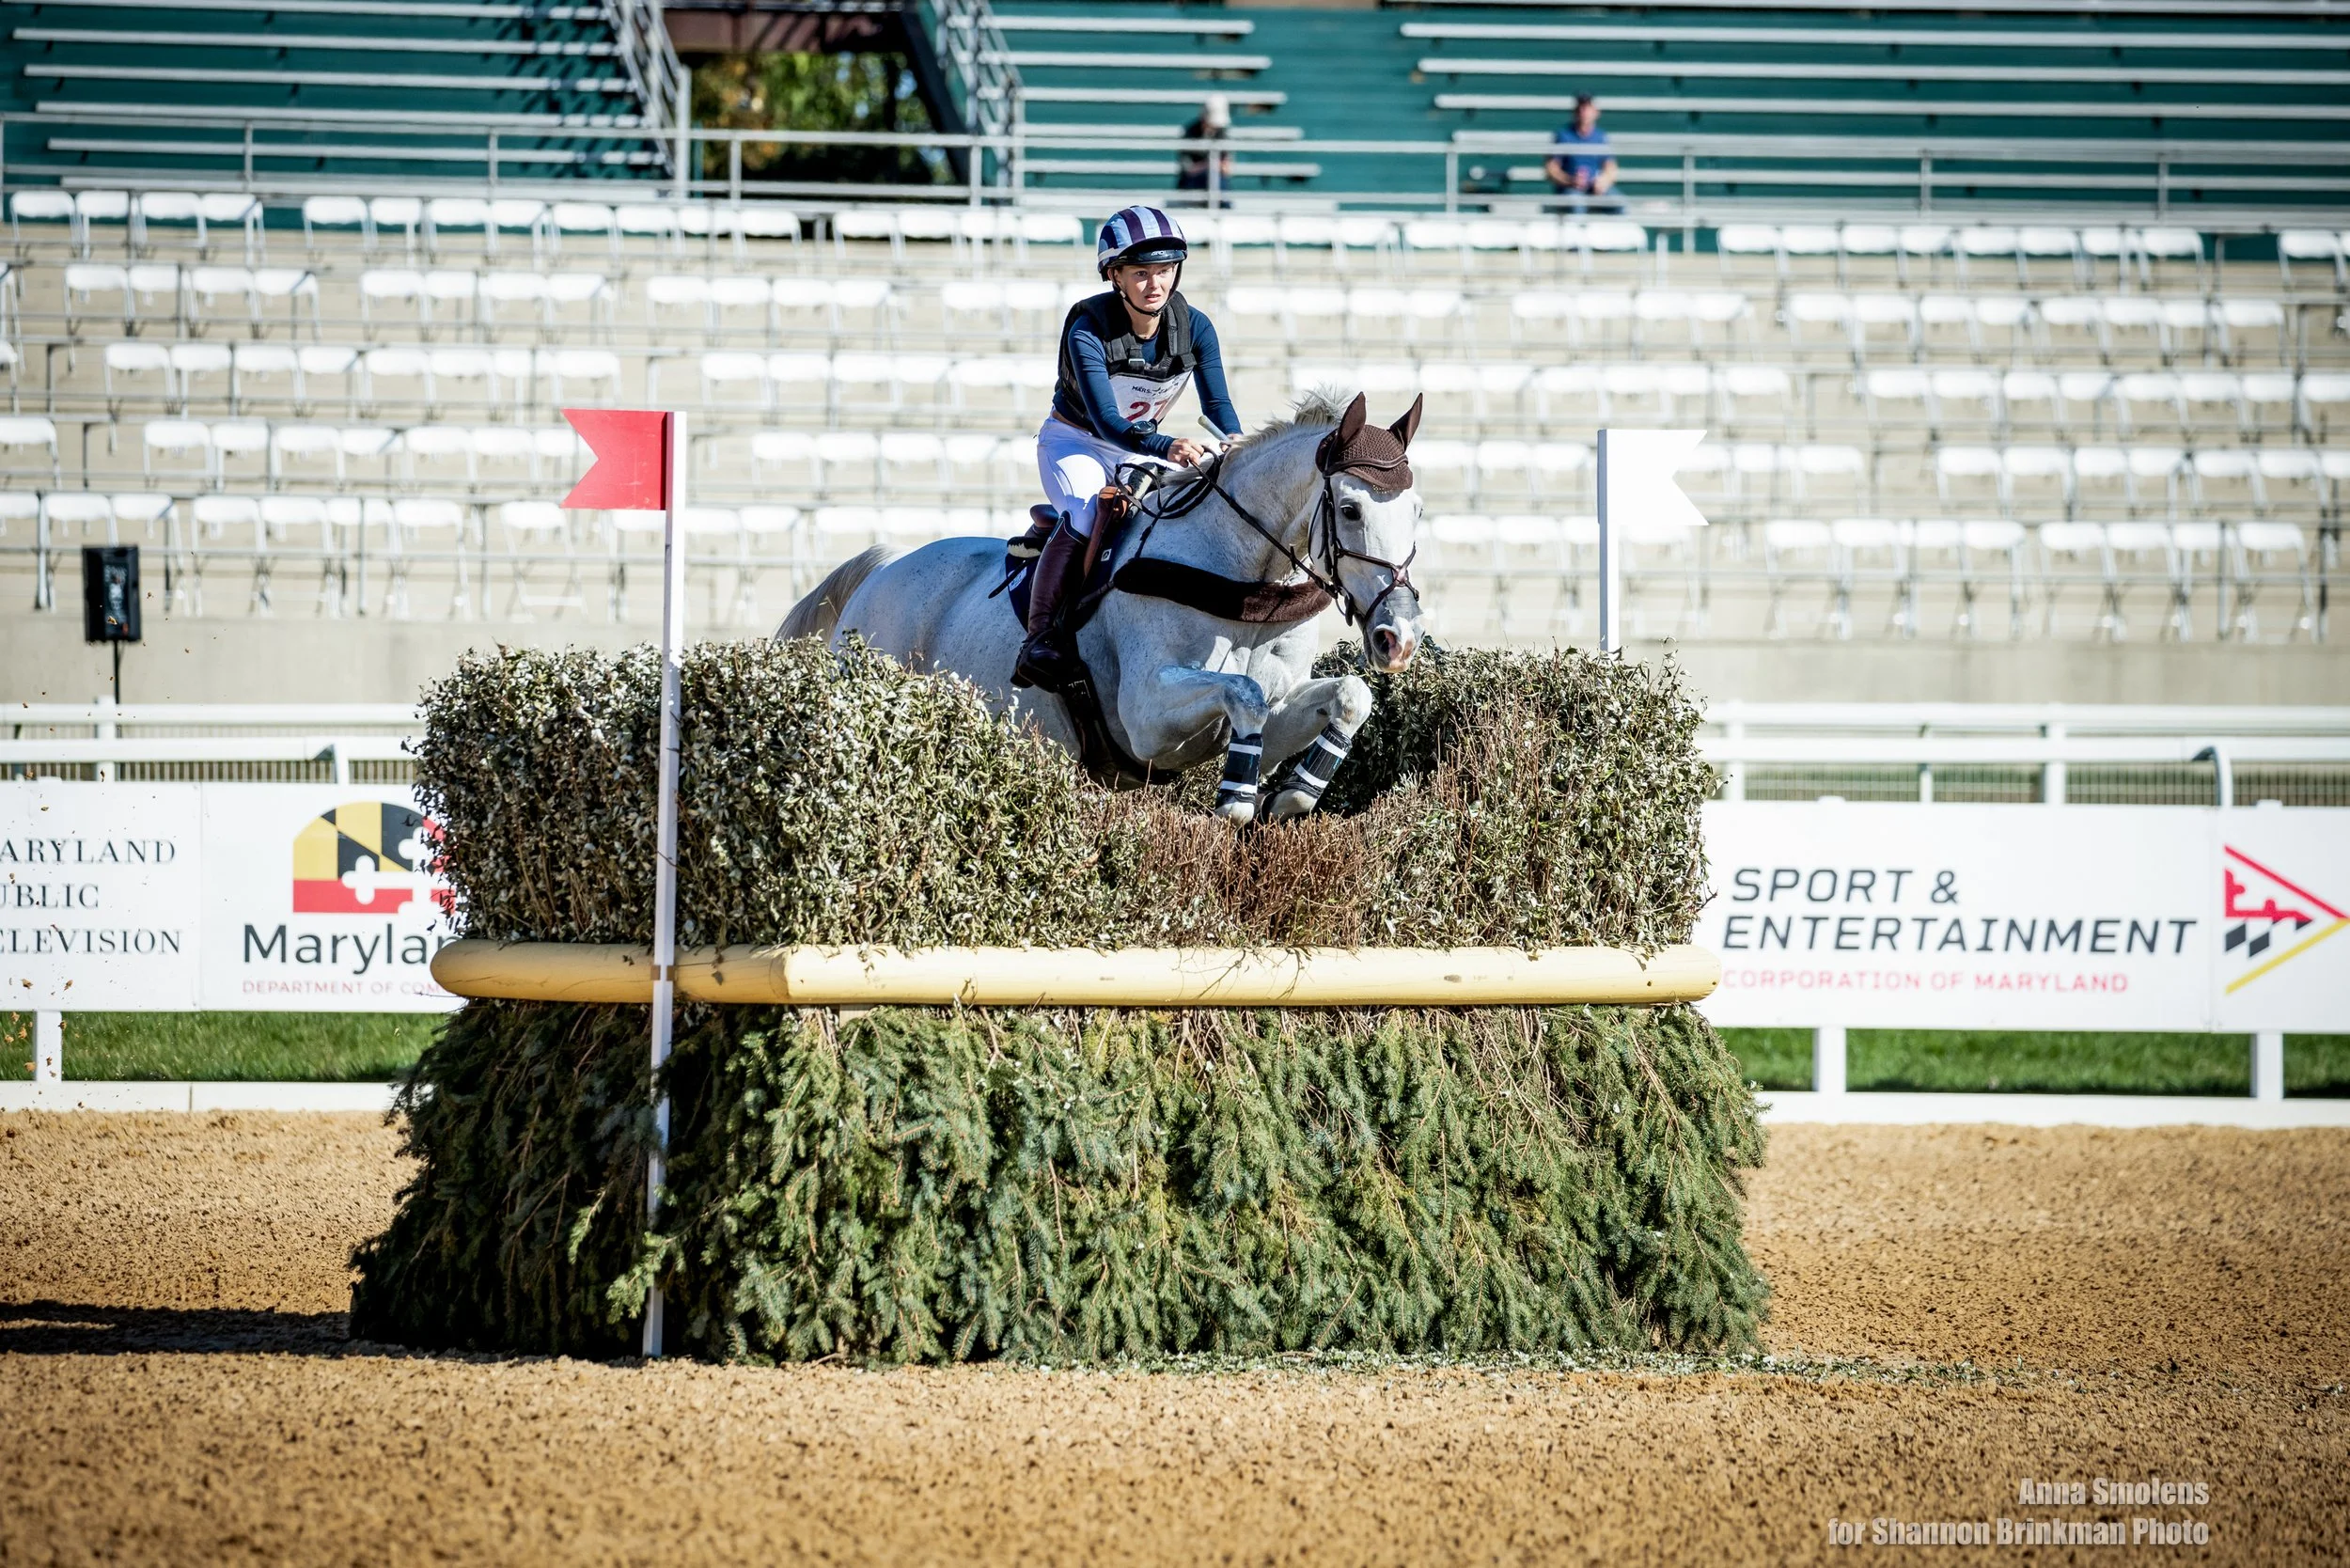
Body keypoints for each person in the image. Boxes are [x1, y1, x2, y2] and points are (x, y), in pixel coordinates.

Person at [1017, 204, 1243, 691]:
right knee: (1083, 511)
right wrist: (1167, 444)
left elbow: (1219, 404)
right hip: (1074, 442)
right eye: (1141, 273)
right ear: (1114, 275)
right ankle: (1040, 637)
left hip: (1135, 450)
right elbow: (1106, 421)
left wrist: (1238, 444)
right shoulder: (1087, 329)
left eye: (1165, 270)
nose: (1155, 284)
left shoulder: (1196, 327)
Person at [1543, 93, 1621, 214]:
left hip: (1594, 188)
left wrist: (1603, 181)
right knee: (1577, 205)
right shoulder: (1563, 135)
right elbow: (1551, 169)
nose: (1583, 112)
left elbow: (1611, 168)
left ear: (1596, 112)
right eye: (1580, 108)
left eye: (1587, 108)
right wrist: (1570, 180)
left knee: (1618, 204)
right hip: (1570, 189)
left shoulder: (1600, 137)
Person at [1176, 93, 1235, 207]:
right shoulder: (1190, 133)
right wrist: (1210, 165)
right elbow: (1187, 169)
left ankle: (1223, 208)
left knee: (1218, 181)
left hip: (1217, 184)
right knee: (1211, 176)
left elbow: (1227, 169)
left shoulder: (1222, 134)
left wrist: (1214, 166)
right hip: (1192, 184)